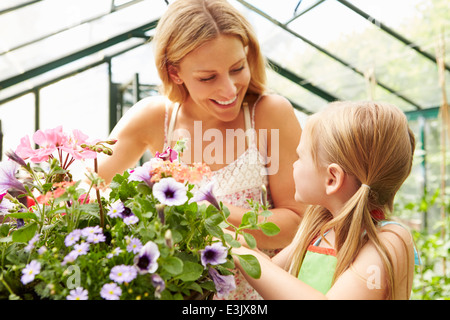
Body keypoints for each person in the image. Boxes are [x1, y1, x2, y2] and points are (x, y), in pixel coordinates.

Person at [97, 0, 306, 299]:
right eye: (208, 78)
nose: (230, 90)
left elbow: (297, 223)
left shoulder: (269, 113)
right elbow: (87, 190)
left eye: (237, 68)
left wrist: (210, 212)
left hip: (256, 294)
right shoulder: (155, 118)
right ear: (174, 73)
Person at [233, 101, 419, 299]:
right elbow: (272, 276)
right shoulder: (320, 230)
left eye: (300, 157)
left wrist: (247, 254)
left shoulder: (389, 240)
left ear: (332, 179)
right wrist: (241, 246)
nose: (294, 165)